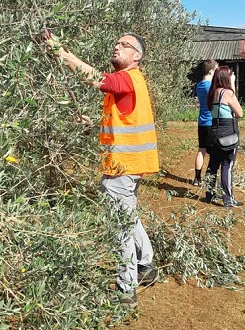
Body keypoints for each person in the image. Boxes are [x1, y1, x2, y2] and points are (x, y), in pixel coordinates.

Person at [45, 32, 159, 308]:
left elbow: (95, 77)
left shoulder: (126, 79)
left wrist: (62, 51)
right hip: (130, 166)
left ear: (137, 56)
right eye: (117, 43)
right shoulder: (131, 83)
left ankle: (126, 289)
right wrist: (93, 122)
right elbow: (123, 122)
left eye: (125, 45)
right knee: (129, 216)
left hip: (122, 168)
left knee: (120, 227)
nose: (117, 47)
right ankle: (146, 265)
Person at [205, 66, 243, 208]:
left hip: (213, 133)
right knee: (227, 166)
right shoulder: (228, 93)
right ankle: (228, 199)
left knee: (213, 165)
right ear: (227, 78)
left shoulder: (212, 92)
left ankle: (209, 195)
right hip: (228, 135)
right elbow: (240, 113)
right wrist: (233, 84)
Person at [193, 59, 218, 186]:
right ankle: (210, 180)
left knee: (201, 150)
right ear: (211, 70)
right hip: (211, 122)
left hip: (201, 122)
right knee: (214, 153)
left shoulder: (199, 85)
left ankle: (197, 178)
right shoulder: (210, 86)